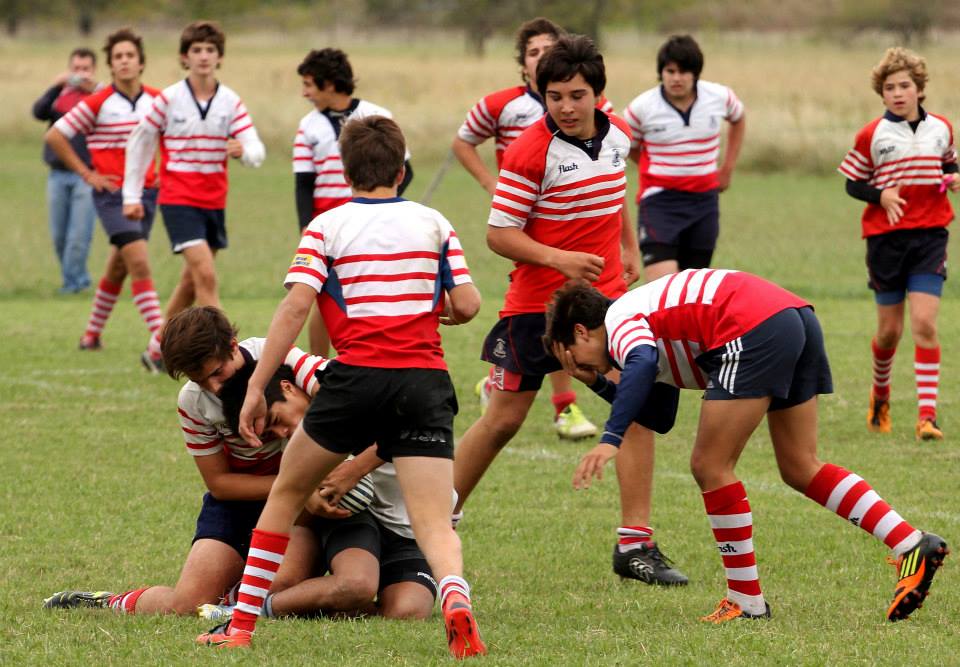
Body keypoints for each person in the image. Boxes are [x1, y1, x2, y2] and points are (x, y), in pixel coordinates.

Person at [196, 116, 486, 658]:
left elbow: (295, 307)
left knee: (283, 496)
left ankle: (239, 627)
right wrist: (436, 311)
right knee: (433, 521)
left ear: (345, 172)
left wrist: (259, 385)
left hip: (355, 379)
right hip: (424, 380)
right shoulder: (435, 222)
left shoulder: (326, 227)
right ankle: (455, 598)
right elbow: (468, 304)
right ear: (402, 170)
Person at [545, 269, 949, 623]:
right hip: (793, 318)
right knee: (799, 466)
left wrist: (611, 440)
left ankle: (745, 602)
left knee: (709, 465)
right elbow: (659, 416)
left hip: (750, 326)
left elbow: (643, 363)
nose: (575, 364)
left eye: (570, 356)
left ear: (580, 331)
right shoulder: (641, 328)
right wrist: (595, 381)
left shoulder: (619, 320)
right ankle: (912, 544)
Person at [452, 34, 686, 586]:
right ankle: (433, 524)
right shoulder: (530, 152)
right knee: (504, 418)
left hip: (606, 305)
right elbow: (497, 234)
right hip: (537, 306)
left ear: (598, 95)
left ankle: (636, 545)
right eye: (554, 95)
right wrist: (557, 257)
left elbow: (614, 195)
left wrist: (629, 248)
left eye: (577, 95)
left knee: (639, 409)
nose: (565, 106)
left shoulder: (617, 136)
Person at [42, 307, 329, 616]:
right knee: (186, 605)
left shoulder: (277, 354)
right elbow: (220, 484)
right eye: (201, 380)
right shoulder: (192, 401)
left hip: (299, 506)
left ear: (233, 345)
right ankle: (112, 601)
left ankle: (235, 602)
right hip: (243, 502)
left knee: (279, 588)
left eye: (217, 372)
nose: (214, 388)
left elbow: (345, 391)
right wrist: (296, 484)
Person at [453, 17, 611, 440]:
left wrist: (626, 245)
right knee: (544, 319)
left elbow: (612, 182)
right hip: (525, 229)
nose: (543, 58)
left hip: (570, 231)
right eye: (535, 52)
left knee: (567, 324)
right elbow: (463, 141)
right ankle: (546, 400)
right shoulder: (507, 110)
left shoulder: (603, 126)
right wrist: (491, 182)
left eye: (550, 49)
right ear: (524, 65)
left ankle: (565, 408)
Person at [197, 362, 440, 622]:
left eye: (277, 420)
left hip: (408, 530)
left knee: (407, 612)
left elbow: (415, 421)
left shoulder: (352, 390)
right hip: (353, 517)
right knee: (354, 584)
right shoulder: (300, 441)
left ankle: (301, 604)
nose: (282, 433)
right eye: (271, 431)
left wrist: (355, 469)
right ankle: (248, 609)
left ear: (288, 388)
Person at [838, 47, 957, 441]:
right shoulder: (872, 134)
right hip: (885, 240)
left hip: (930, 237)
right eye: (889, 87)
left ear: (919, 89)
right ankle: (881, 395)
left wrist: (954, 178)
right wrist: (881, 196)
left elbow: (948, 165)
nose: (898, 93)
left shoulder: (941, 127)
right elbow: (853, 182)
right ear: (882, 94)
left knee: (924, 323)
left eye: (905, 85)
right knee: (889, 332)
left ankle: (927, 417)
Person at [123, 20, 265, 322]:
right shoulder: (169, 99)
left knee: (191, 282)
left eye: (210, 50)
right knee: (206, 276)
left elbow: (256, 148)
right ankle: (225, 354)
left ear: (220, 58)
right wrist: (131, 195)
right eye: (196, 50)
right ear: (184, 57)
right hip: (178, 199)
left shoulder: (230, 101)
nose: (203, 56)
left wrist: (245, 153)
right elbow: (140, 142)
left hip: (214, 200)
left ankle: (158, 348)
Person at [45, 28, 165, 371]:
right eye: (118, 57)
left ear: (141, 62)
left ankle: (91, 334)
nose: (124, 61)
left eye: (130, 55)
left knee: (119, 264)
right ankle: (161, 343)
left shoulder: (158, 100)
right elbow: (55, 135)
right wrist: (87, 174)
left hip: (150, 192)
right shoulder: (97, 102)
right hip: (112, 196)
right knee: (139, 261)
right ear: (111, 66)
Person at [292, 47, 413, 357]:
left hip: (372, 219)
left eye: (309, 84)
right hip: (327, 226)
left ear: (329, 83)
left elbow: (405, 169)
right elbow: (304, 182)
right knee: (321, 294)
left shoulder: (377, 115)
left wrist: (385, 206)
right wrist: (306, 225)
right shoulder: (308, 126)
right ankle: (318, 366)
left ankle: (372, 355)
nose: (305, 93)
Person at [621, 34, 745, 282]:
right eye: (670, 71)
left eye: (684, 71)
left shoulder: (720, 97)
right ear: (661, 72)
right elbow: (626, 144)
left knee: (693, 288)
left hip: (704, 202)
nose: (676, 78)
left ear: (696, 73)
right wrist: (653, 164)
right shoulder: (642, 107)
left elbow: (738, 118)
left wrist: (727, 169)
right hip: (659, 202)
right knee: (662, 288)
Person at [32, 47, 99, 294]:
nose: (80, 75)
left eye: (86, 69)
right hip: (57, 173)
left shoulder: (99, 98)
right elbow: (38, 112)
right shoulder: (61, 97)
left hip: (86, 174)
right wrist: (56, 85)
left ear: (94, 70)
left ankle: (75, 284)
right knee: (60, 236)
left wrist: (96, 89)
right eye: (76, 69)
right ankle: (73, 280)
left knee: (78, 237)